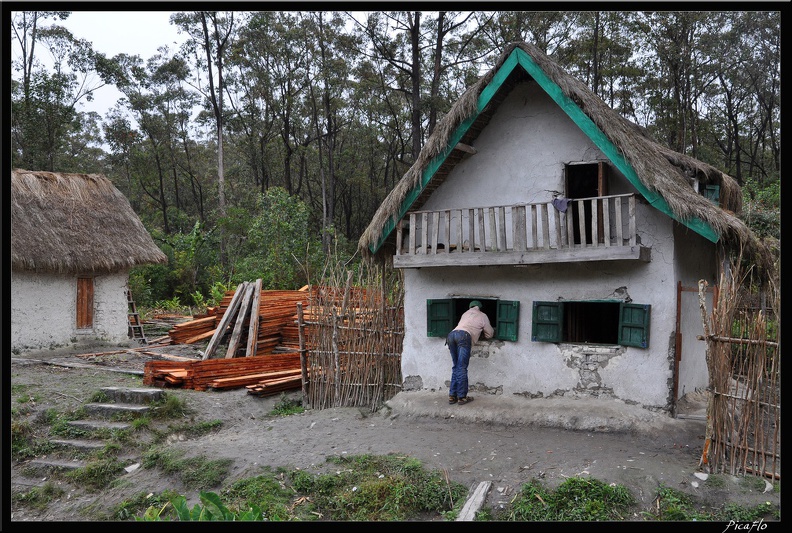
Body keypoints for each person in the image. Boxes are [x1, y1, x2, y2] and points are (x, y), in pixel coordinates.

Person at [446, 300, 494, 405]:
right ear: (480, 307)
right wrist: (482, 334)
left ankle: (452, 396)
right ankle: (462, 397)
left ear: (470, 307)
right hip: (464, 337)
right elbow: (489, 334)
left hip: (451, 335)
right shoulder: (482, 315)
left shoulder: (465, 314)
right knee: (462, 367)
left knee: (456, 367)